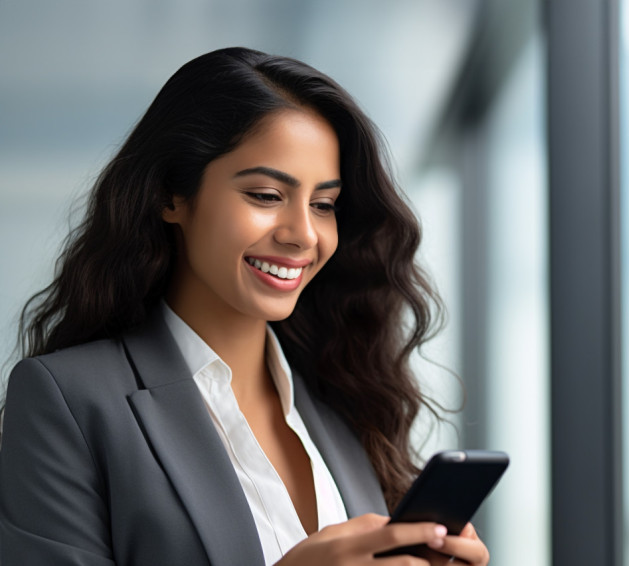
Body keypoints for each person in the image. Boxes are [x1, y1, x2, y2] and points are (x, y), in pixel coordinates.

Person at [0, 47, 489, 565]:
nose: (303, 234)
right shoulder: (68, 400)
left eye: (324, 205)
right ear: (173, 196)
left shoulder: (342, 402)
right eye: (265, 195)